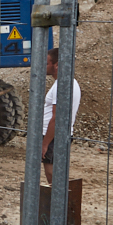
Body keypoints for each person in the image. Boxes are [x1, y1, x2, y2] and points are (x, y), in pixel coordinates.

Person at [41, 47, 81, 184]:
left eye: (46, 63)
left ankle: (58, 201)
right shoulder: (69, 83)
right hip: (58, 134)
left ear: (56, 65)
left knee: (51, 172)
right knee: (55, 171)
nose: (43, 66)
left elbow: (56, 117)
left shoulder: (62, 86)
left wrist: (45, 143)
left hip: (54, 136)